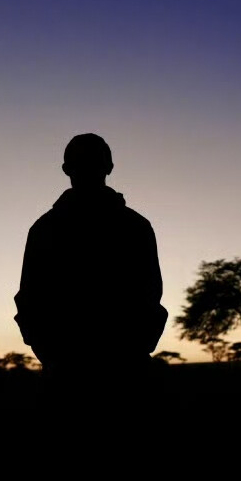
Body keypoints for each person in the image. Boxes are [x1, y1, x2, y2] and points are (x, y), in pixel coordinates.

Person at [15, 123, 166, 386]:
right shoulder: (46, 229)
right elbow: (30, 299)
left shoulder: (135, 227)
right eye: (81, 162)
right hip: (80, 367)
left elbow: (151, 294)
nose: (87, 170)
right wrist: (51, 354)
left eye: (92, 162)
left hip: (118, 365)